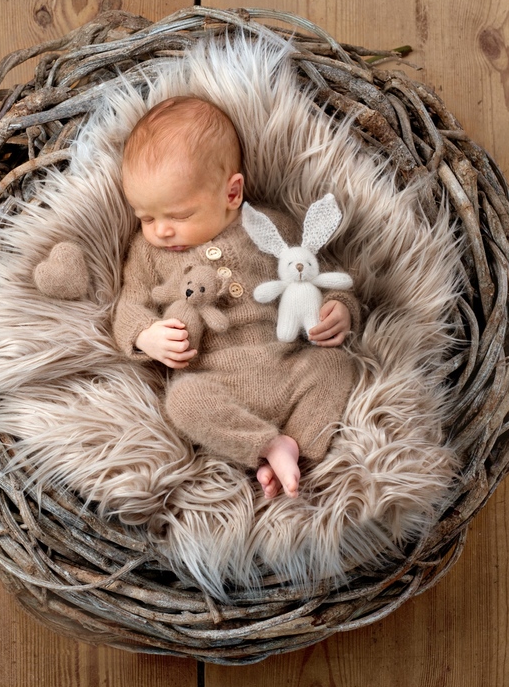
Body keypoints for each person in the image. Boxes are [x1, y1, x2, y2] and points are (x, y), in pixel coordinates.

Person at [112, 96, 359, 499]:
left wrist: (340, 309)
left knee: (335, 365)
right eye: (146, 216)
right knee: (183, 403)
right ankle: (269, 446)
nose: (160, 230)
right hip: (215, 382)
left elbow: (318, 272)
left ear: (232, 193)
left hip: (288, 368)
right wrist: (146, 337)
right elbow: (129, 307)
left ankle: (296, 443)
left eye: (177, 215)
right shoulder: (148, 253)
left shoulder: (269, 227)